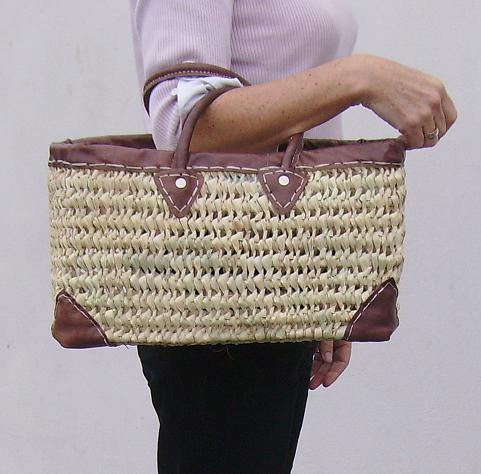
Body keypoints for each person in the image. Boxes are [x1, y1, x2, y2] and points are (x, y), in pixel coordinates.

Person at [129, 1, 457, 473]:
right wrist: (358, 77)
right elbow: (187, 125)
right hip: (217, 285)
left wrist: (319, 279)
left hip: (275, 274)